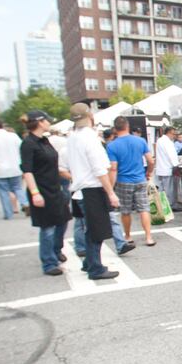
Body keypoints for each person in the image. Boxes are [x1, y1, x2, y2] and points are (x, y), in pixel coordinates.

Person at [62, 103, 120, 280]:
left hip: (80, 188)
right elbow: (100, 169)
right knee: (96, 231)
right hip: (92, 189)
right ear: (90, 116)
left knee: (90, 230)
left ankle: (90, 262)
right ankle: (95, 267)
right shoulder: (90, 137)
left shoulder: (72, 137)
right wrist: (111, 192)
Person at [19, 111, 72, 276]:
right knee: (47, 227)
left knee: (62, 220)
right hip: (41, 190)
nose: (49, 123)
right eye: (46, 120)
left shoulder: (44, 140)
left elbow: (52, 165)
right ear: (39, 122)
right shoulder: (28, 143)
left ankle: (56, 250)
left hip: (55, 188)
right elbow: (27, 171)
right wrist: (35, 193)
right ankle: (48, 262)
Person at [107, 116, 156, 246]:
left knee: (126, 210)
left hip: (123, 181)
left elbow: (113, 168)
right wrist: (149, 172)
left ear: (115, 129)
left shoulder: (112, 146)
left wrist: (110, 188)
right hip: (140, 179)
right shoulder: (140, 141)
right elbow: (150, 160)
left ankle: (128, 236)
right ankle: (148, 237)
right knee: (144, 209)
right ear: (127, 126)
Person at [0, 119, 29, 219]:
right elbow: (22, 148)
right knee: (18, 188)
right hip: (15, 167)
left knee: (3, 191)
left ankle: (8, 214)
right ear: (2, 125)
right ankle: (25, 203)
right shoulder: (13, 136)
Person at [155, 127, 181, 211]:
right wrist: (176, 165)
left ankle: (162, 206)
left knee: (162, 189)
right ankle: (171, 205)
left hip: (161, 168)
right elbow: (171, 155)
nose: (174, 136)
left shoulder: (160, 140)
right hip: (167, 168)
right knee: (169, 189)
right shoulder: (167, 142)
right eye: (173, 134)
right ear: (169, 133)